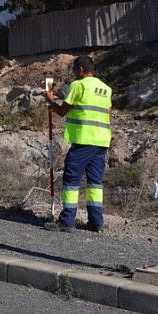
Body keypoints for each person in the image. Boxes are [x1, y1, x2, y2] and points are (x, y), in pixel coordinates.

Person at [44, 55, 112, 233]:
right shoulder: (105, 88)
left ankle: (67, 220)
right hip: (102, 140)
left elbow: (62, 111)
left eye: (74, 70)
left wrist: (50, 100)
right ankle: (96, 221)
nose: (74, 73)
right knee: (95, 182)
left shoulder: (77, 85)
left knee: (71, 179)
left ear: (80, 70)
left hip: (84, 140)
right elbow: (108, 115)